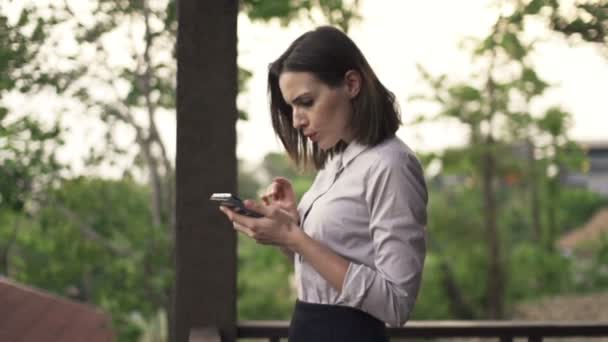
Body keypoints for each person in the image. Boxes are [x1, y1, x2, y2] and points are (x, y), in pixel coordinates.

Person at [218, 25, 427, 342]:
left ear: (351, 84)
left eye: (306, 102)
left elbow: (396, 304)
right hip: (307, 327)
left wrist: (295, 237)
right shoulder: (335, 162)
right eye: (291, 107)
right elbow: (317, 269)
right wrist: (291, 227)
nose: (297, 120)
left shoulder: (390, 165)